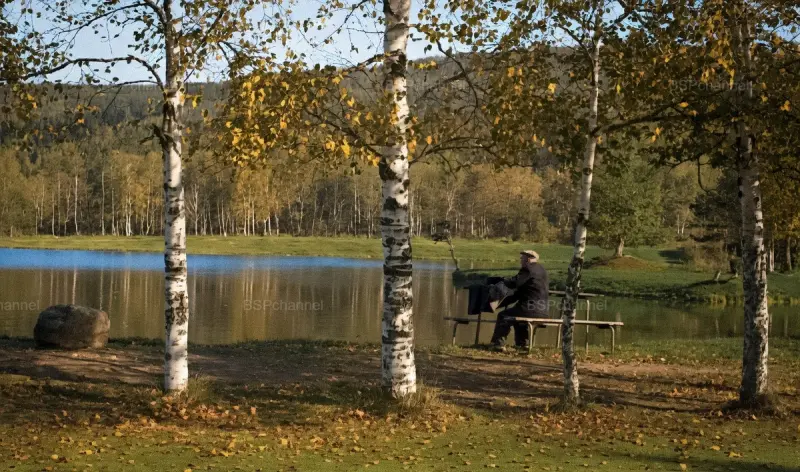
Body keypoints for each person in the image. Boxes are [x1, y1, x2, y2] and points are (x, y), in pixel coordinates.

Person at [490, 250, 549, 351]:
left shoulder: (527, 269)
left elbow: (514, 283)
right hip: (543, 310)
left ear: (529, 259)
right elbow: (519, 292)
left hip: (530, 308)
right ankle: (522, 344)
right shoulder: (542, 270)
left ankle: (498, 344)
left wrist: (501, 280)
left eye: (522, 258)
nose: (520, 261)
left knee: (503, 315)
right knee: (518, 317)